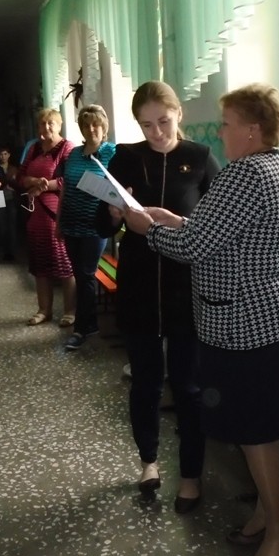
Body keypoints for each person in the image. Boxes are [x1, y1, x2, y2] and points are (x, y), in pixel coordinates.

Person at [122, 83, 279, 556]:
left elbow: (194, 248)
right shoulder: (272, 166)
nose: (220, 133)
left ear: (251, 130)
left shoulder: (245, 174)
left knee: (255, 432)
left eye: (227, 124)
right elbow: (218, 231)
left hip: (247, 324)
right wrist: (174, 219)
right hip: (268, 317)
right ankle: (267, 514)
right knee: (260, 428)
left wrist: (148, 230)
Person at [96, 82, 219, 515]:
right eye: (146, 125)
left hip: (188, 291)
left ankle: (190, 476)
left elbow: (217, 227)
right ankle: (148, 461)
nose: (156, 133)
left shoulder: (201, 158)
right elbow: (103, 227)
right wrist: (112, 215)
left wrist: (179, 222)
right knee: (145, 382)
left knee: (189, 387)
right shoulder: (125, 158)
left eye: (163, 122)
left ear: (178, 114)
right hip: (140, 287)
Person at [57, 104, 115, 351]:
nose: (91, 129)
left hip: (94, 225)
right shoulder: (73, 154)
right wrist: (59, 222)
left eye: (96, 124)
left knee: (85, 274)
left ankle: (82, 328)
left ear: (104, 127)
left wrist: (96, 187)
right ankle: (89, 324)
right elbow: (65, 189)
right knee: (80, 275)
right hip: (71, 224)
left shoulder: (111, 152)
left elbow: (118, 189)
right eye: (86, 125)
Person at [18, 108, 75, 326]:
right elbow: (21, 176)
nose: (47, 127)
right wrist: (33, 181)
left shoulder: (67, 147)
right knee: (39, 263)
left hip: (57, 214)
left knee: (65, 263)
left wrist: (45, 185)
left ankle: (70, 311)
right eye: (43, 123)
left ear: (59, 125)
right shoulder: (33, 148)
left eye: (51, 123)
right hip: (35, 214)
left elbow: (70, 178)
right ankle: (44, 310)